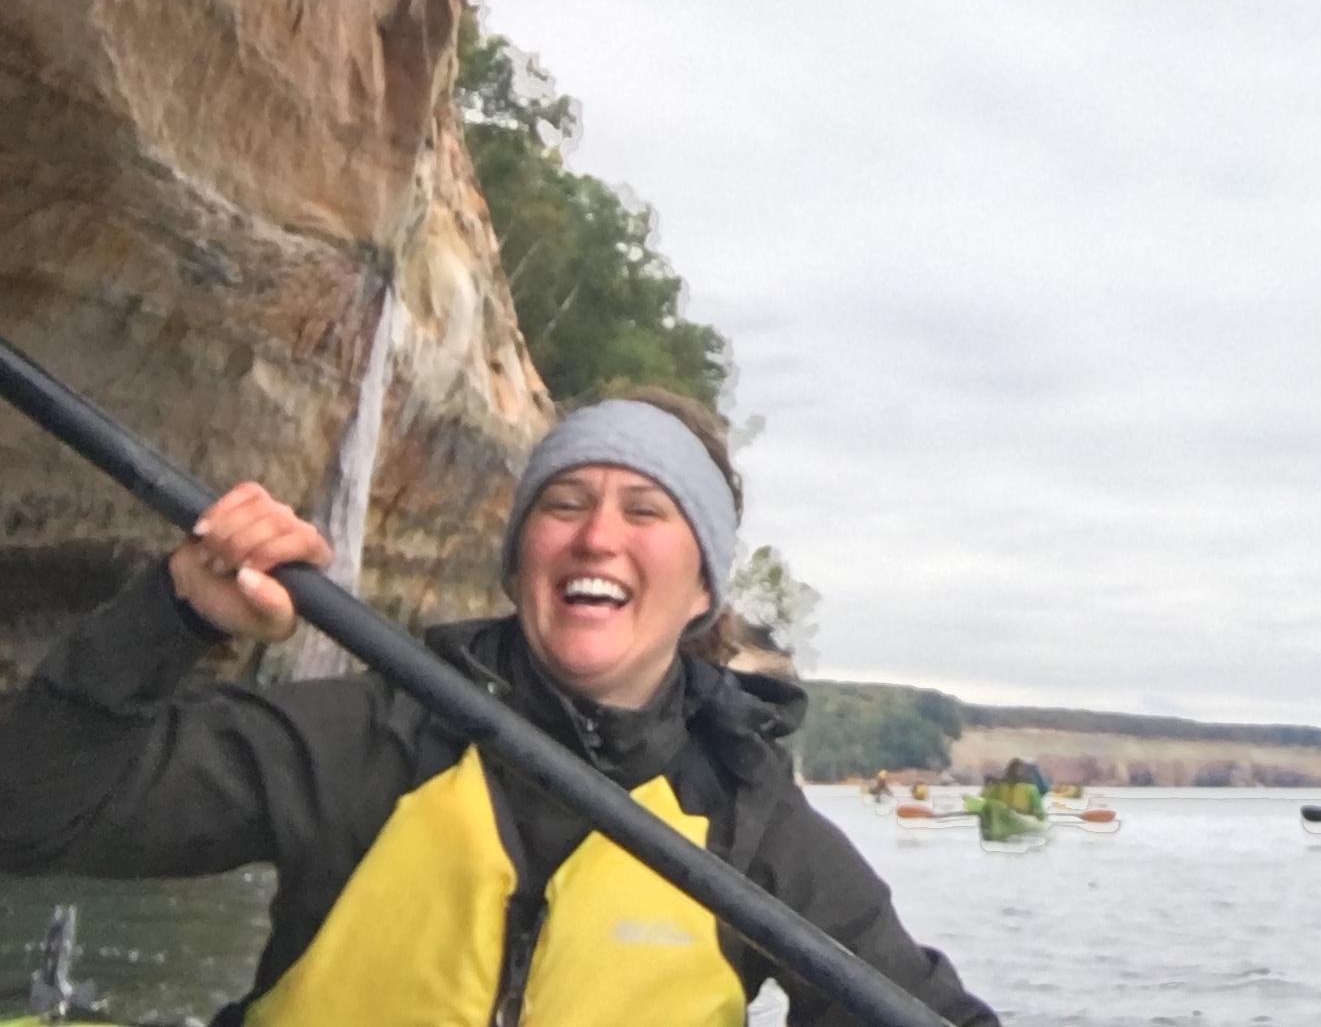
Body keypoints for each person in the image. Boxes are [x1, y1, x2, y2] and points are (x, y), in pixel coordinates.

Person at [0, 387, 995, 1027]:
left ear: (702, 595)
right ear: (521, 559)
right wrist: (172, 615)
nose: (597, 535)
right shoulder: (370, 741)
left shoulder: (753, 829)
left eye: (647, 512)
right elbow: (30, 813)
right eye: (564, 505)